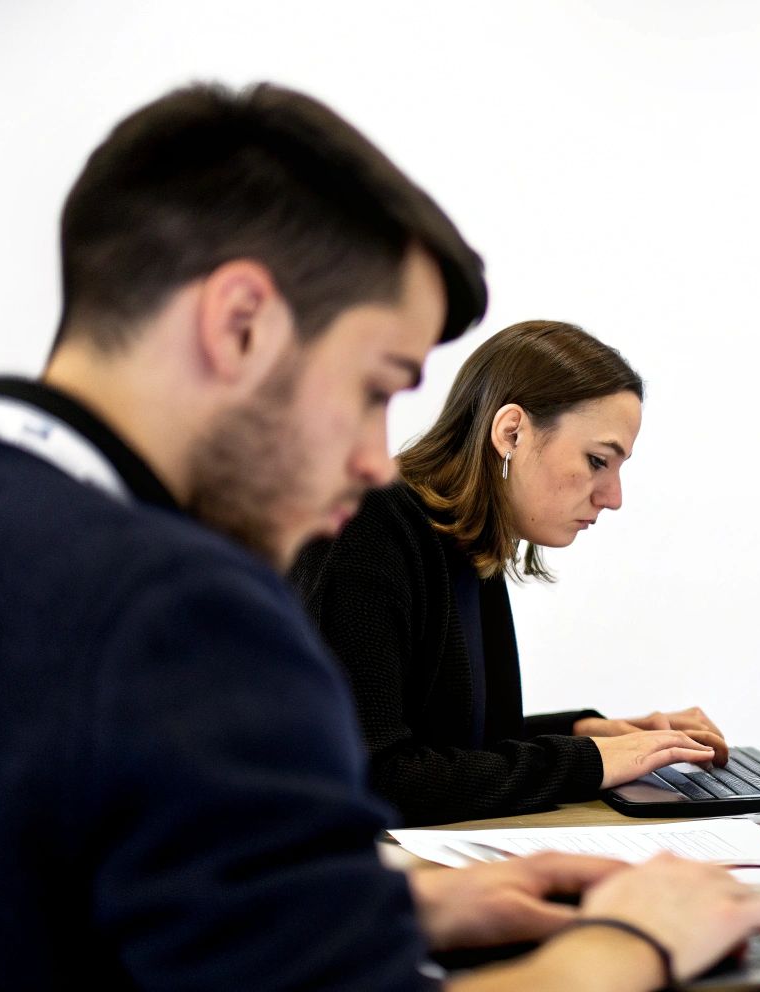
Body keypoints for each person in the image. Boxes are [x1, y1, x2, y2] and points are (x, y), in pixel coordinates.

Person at [0, 81, 760, 990]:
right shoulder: (174, 607)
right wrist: (636, 941)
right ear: (239, 325)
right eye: (374, 388)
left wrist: (406, 905)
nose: (370, 459)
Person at [292, 320, 730, 826]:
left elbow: (460, 742)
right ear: (511, 432)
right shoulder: (371, 527)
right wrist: (588, 761)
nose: (613, 498)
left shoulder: (469, 545)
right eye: (596, 461)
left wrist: (589, 732)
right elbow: (376, 775)